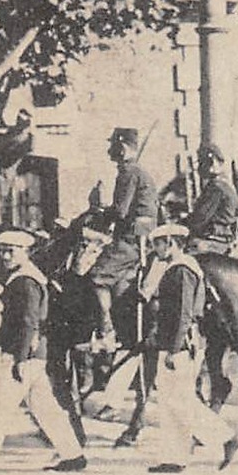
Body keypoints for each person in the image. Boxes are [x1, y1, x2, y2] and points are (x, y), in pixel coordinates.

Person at [0, 230, 87, 474]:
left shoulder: (25, 280)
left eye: (12, 251)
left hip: (23, 357)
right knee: (46, 409)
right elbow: (13, 324)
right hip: (33, 357)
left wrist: (19, 360)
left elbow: (30, 323)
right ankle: (73, 455)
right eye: (3, 250)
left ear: (26, 252)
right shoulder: (24, 277)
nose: (6, 256)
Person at [141, 223, 238, 474]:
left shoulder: (182, 270)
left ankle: (226, 438)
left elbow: (184, 313)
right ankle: (174, 458)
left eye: (159, 244)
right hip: (172, 341)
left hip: (180, 344)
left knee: (180, 400)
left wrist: (174, 349)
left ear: (172, 242)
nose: (156, 250)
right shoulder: (178, 268)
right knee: (170, 402)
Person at [88, 126, 159, 346]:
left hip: (132, 239)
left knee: (97, 276)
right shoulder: (137, 171)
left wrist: (98, 212)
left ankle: (105, 332)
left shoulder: (129, 172)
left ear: (124, 147)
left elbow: (120, 211)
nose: (110, 149)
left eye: (113, 145)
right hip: (139, 236)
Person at [185, 146, 238, 254]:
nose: (200, 167)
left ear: (212, 163)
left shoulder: (216, 187)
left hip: (213, 238)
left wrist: (181, 223)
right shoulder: (226, 183)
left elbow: (201, 217)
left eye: (202, 163)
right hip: (223, 236)